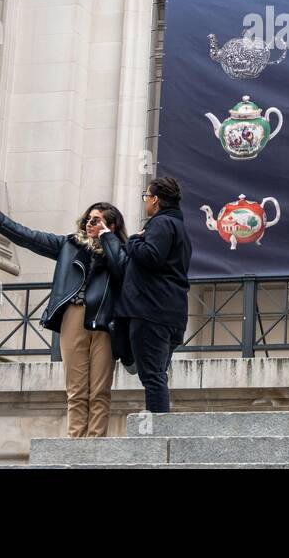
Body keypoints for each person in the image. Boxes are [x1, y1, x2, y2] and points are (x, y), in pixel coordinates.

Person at [0, 196, 128, 438]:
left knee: (100, 391)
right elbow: (31, 238)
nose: (89, 224)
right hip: (73, 315)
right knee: (76, 388)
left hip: (104, 323)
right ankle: (74, 444)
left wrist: (106, 238)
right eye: (87, 219)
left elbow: (122, 270)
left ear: (112, 225)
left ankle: (95, 446)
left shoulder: (120, 250)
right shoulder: (69, 245)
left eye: (97, 220)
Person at [113, 176, 191, 414]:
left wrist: (134, 240)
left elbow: (151, 256)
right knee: (157, 374)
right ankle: (159, 430)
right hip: (171, 313)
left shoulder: (160, 224)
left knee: (153, 377)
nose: (145, 200)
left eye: (147, 196)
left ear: (155, 200)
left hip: (151, 312)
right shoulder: (180, 228)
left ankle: (157, 433)